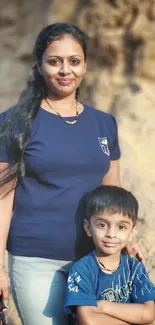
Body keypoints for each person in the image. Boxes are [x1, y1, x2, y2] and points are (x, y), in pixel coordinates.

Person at [0, 23, 144, 325]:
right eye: (55, 61)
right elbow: (3, 199)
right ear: (39, 66)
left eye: (74, 61)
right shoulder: (15, 122)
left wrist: (126, 239)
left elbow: (112, 192)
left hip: (96, 262)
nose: (65, 70)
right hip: (35, 260)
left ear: (85, 65)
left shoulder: (104, 124)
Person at [64, 185, 155, 325]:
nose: (111, 234)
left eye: (121, 227)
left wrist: (102, 306)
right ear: (88, 228)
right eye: (102, 225)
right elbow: (89, 321)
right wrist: (133, 317)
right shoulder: (82, 270)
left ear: (132, 232)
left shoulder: (134, 268)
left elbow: (149, 314)